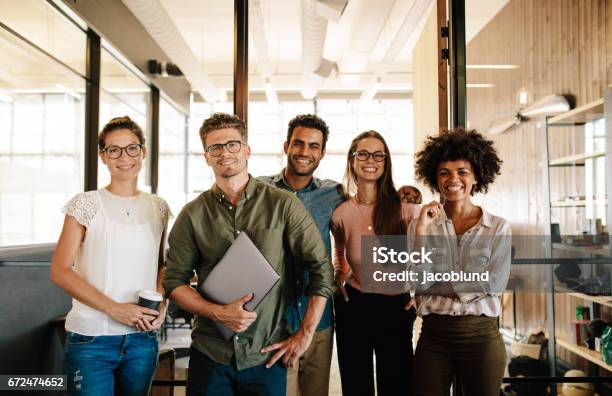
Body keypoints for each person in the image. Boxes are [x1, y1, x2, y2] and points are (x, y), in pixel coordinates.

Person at [162, 112, 334, 396]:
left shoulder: (283, 204)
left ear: (247, 150)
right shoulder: (191, 215)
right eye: (214, 147)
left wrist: (305, 334)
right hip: (210, 353)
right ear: (206, 156)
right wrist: (218, 312)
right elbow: (174, 282)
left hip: (266, 355)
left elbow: (321, 269)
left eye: (232, 144)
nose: (224, 153)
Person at [51, 116, 171, 395]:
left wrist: (161, 304)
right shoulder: (86, 204)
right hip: (92, 339)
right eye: (113, 150)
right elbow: (60, 270)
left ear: (143, 152)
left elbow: (161, 266)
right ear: (103, 156)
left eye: (132, 148)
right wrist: (114, 308)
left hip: (142, 340)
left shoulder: (159, 207)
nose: (123, 157)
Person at [410, 129, 511, 396]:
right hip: (434, 336)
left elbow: (495, 283)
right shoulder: (422, 225)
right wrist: (421, 231)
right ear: (435, 177)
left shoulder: (497, 228)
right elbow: (417, 282)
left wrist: (436, 286)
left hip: (480, 336)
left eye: (462, 171)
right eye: (445, 172)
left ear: (476, 176)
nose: (453, 179)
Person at [259, 114, 344, 396]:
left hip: (317, 319)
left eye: (313, 146)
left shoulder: (334, 193)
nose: (304, 152)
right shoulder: (260, 190)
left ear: (322, 153)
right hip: (273, 320)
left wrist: (346, 268)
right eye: (298, 144)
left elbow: (361, 224)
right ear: (286, 147)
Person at [331, 130, 420, 396]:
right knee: (356, 385)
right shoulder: (341, 213)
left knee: (397, 385)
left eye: (378, 154)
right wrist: (339, 273)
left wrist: (423, 292)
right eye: (363, 154)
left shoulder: (405, 208)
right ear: (352, 160)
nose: (371, 160)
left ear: (386, 161)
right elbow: (339, 249)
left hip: (395, 307)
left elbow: (427, 255)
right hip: (354, 305)